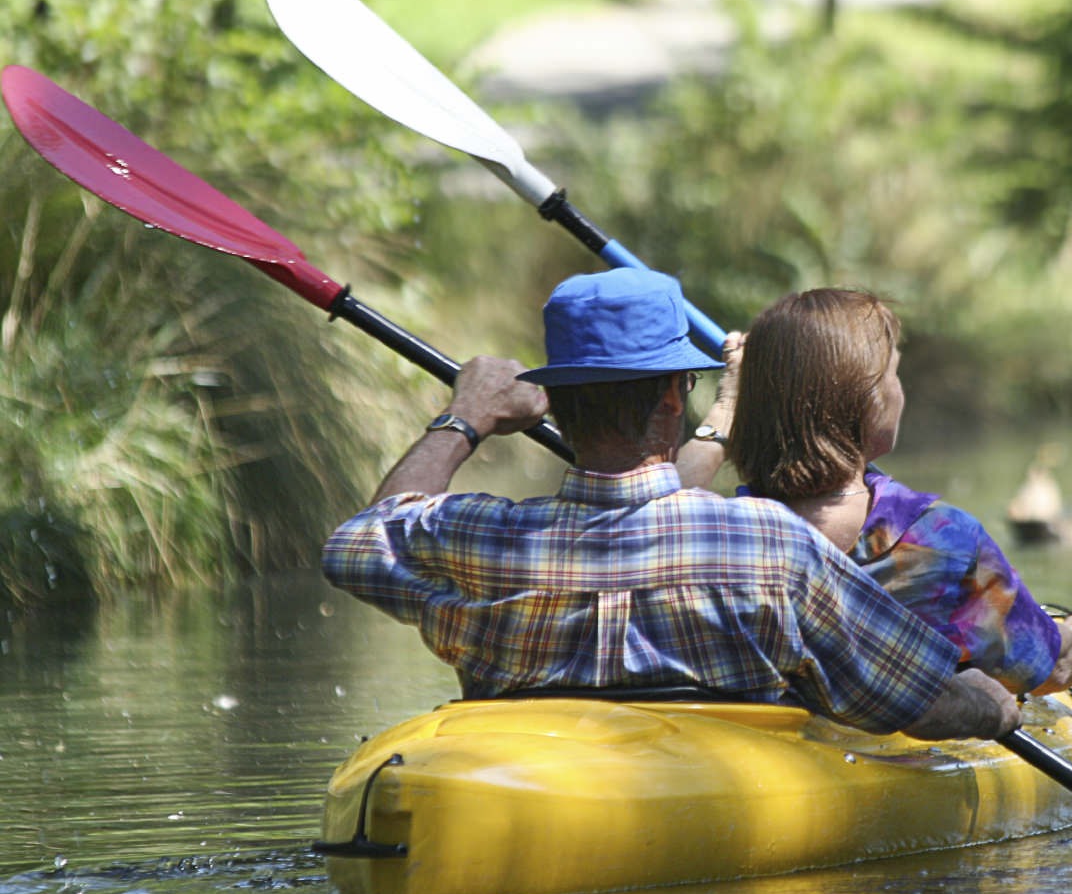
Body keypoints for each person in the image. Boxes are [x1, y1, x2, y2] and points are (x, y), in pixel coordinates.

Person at [322, 268, 1022, 743]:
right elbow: (917, 696)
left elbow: (359, 542)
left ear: (555, 405)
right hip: (701, 811)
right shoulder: (770, 545)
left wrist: (465, 417)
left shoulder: (482, 537)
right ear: (670, 400)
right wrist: (992, 707)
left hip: (530, 783)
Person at [699, 287, 1072, 699]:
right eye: (894, 374)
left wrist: (725, 408)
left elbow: (651, 508)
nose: (900, 391)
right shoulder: (939, 535)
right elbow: (1043, 667)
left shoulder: (709, 531)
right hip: (901, 742)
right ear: (865, 399)